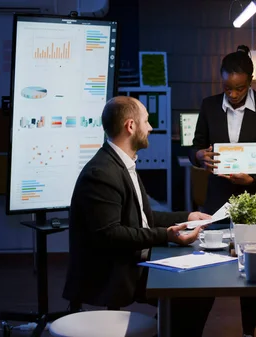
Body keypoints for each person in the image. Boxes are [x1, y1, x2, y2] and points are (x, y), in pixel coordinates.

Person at [63, 96, 214, 337]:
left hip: (133, 262)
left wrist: (188, 216)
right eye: (146, 121)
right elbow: (111, 234)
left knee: (198, 291)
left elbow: (143, 217)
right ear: (131, 126)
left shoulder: (121, 164)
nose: (151, 127)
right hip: (114, 274)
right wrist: (166, 236)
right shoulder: (101, 173)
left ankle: (163, 330)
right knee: (193, 293)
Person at [189, 45, 256, 337]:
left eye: (239, 89)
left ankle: (248, 332)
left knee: (253, 271)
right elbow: (195, 146)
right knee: (209, 266)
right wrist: (199, 157)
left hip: (255, 196)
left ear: (250, 82)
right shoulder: (208, 105)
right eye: (227, 88)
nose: (233, 95)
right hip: (218, 198)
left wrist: (252, 177)